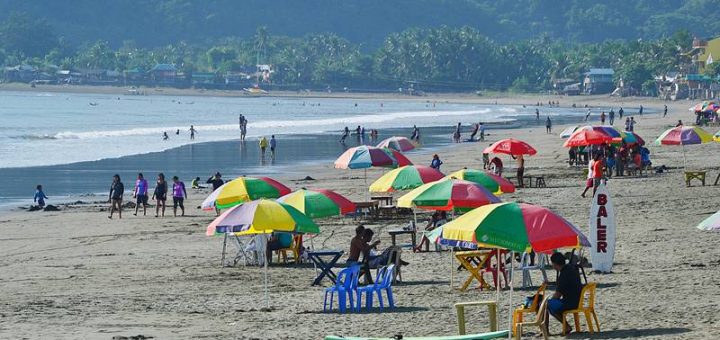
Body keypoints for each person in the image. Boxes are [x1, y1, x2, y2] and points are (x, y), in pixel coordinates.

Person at [548, 252, 582, 335]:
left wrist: (550, 301)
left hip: (571, 302)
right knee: (550, 305)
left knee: (546, 305)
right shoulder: (570, 268)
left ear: (554, 264)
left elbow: (557, 295)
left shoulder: (564, 274)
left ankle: (546, 330)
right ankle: (566, 326)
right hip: (577, 299)